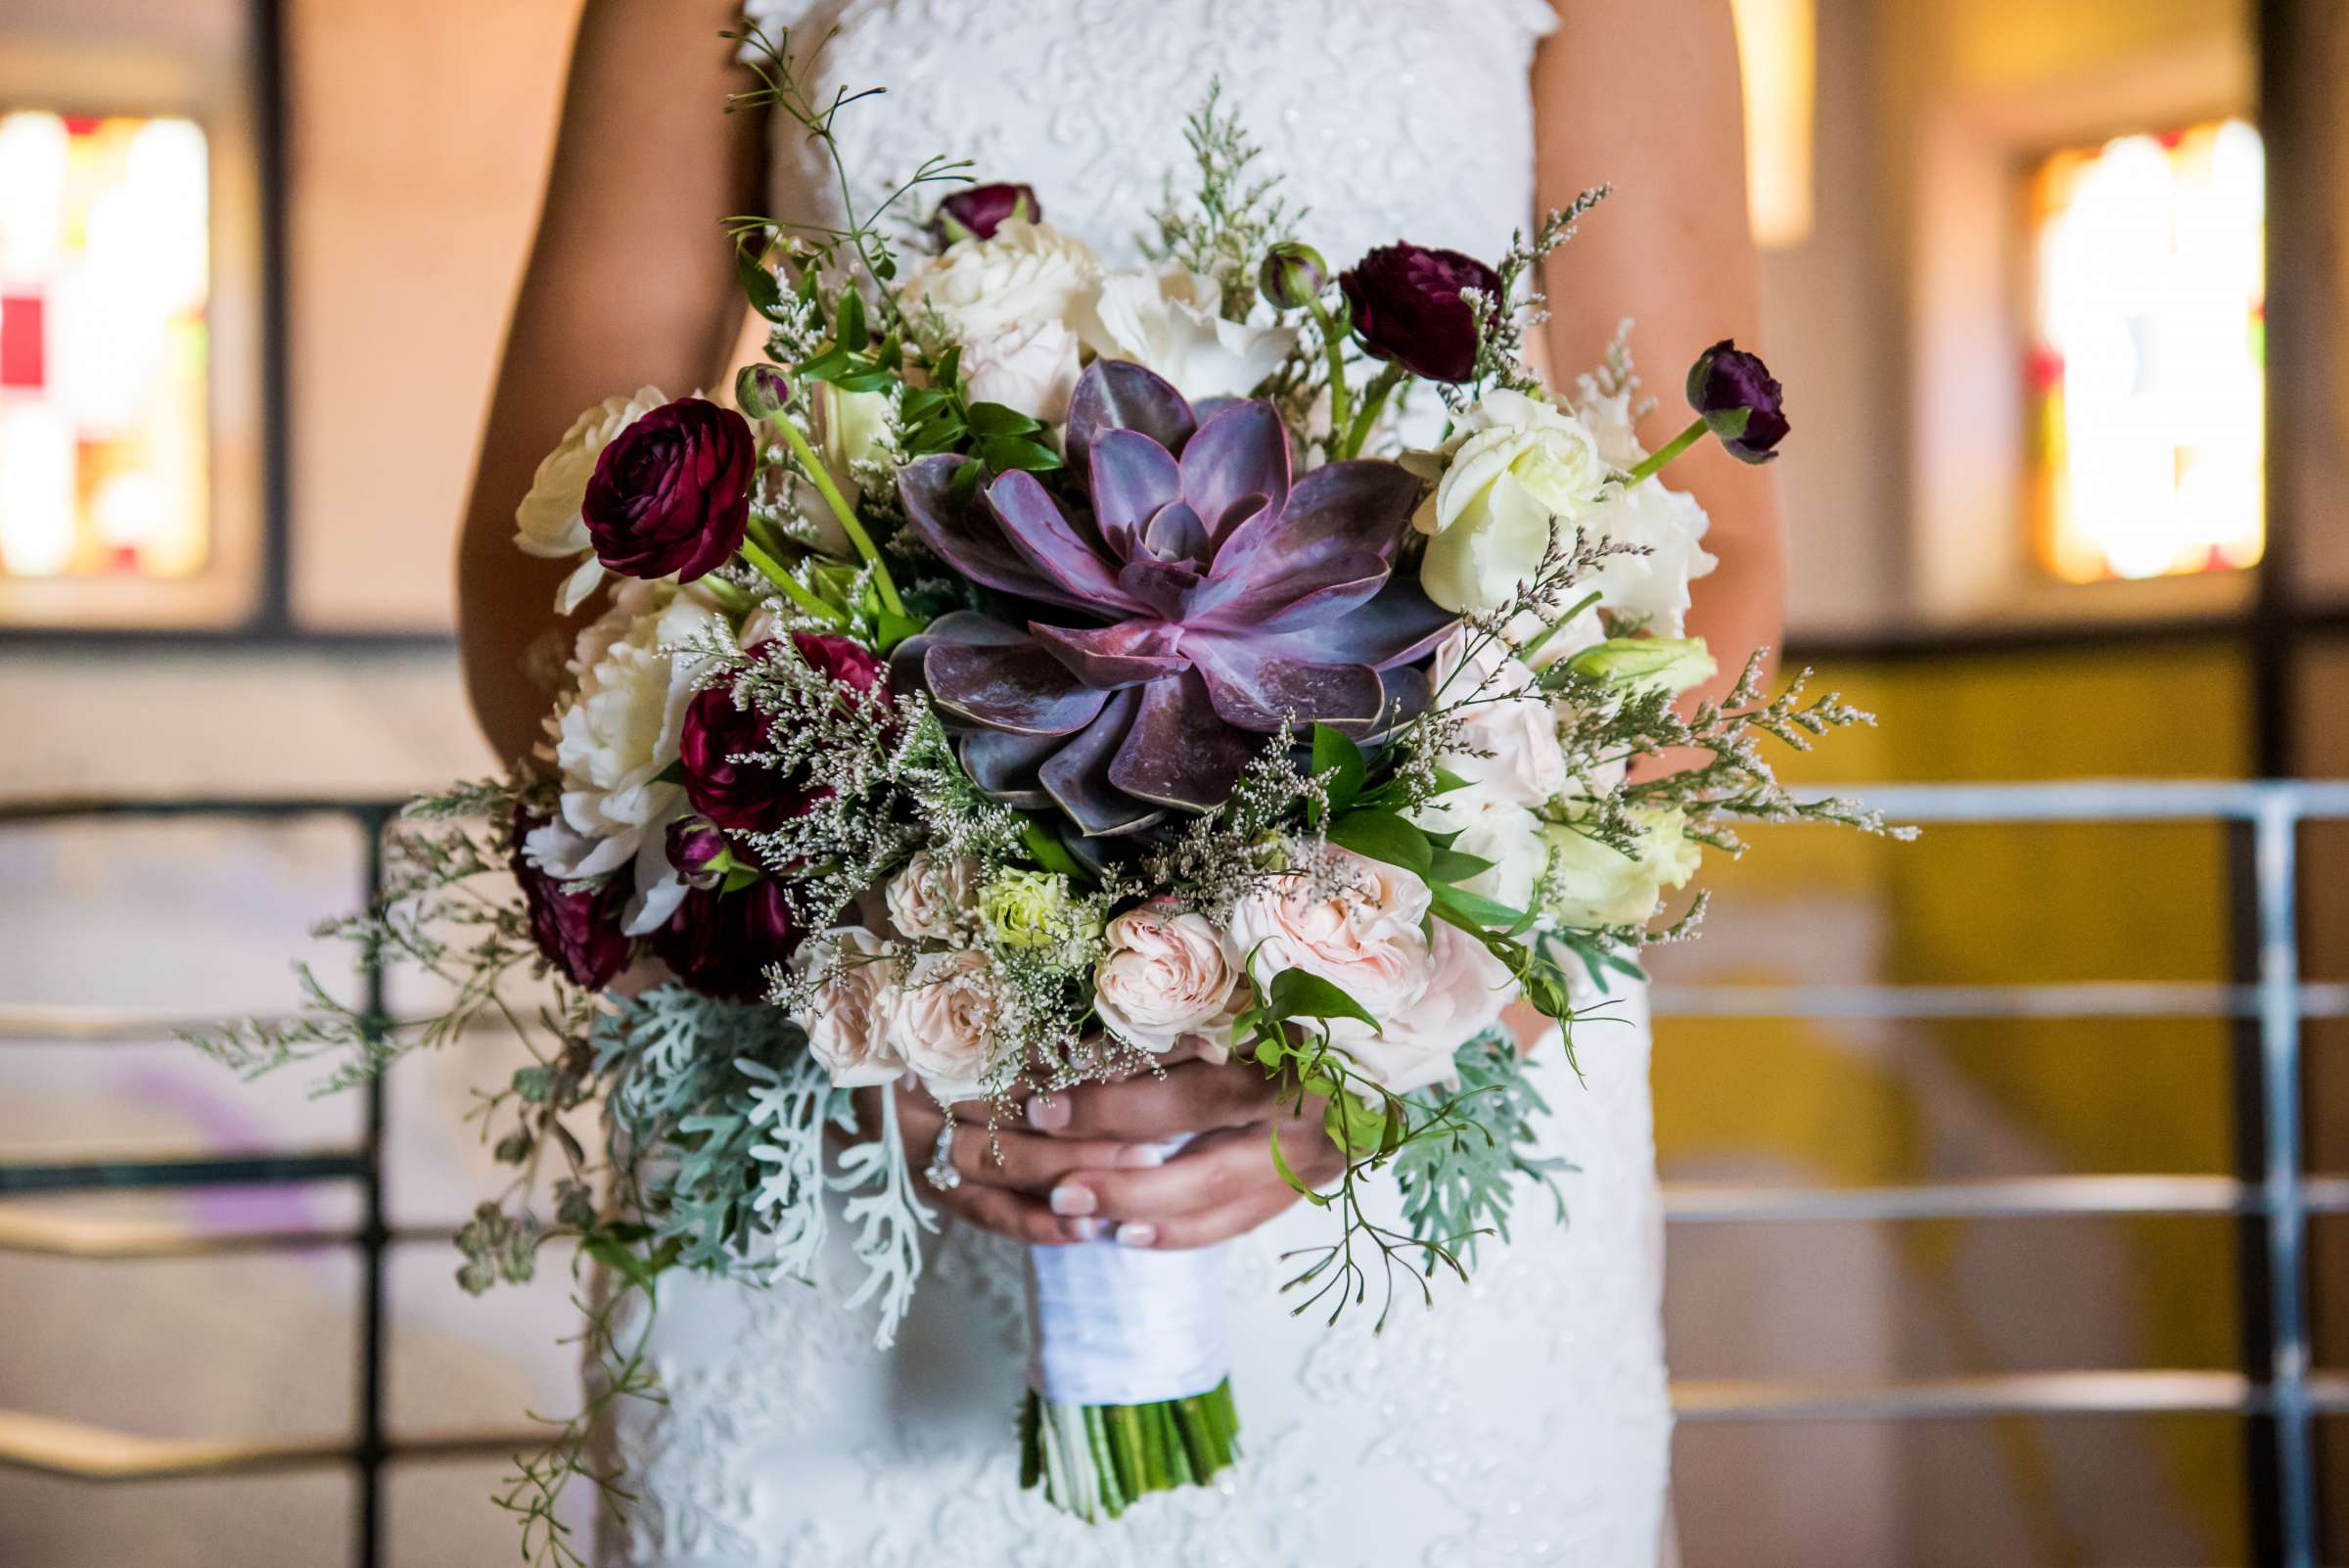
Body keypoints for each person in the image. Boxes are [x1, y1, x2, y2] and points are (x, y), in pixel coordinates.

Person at [457, 3, 1782, 1562]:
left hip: (1417, 1119)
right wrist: (853, 968)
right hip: (840, 1112)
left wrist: (1417, 1012)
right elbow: (541, 548)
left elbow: (1718, 551)